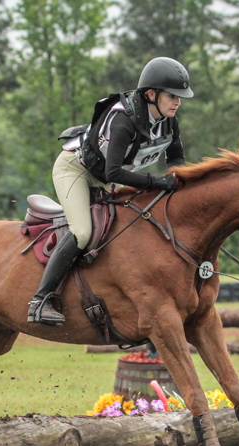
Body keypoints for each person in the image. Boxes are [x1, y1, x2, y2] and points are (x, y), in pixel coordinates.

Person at [28, 57, 193, 326]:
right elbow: (114, 173)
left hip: (105, 176)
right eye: (172, 96)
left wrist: (177, 178)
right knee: (82, 232)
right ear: (151, 94)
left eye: (179, 97)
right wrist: (157, 182)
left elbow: (176, 157)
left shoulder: (168, 121)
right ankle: (40, 300)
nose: (178, 102)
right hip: (76, 170)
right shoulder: (123, 121)